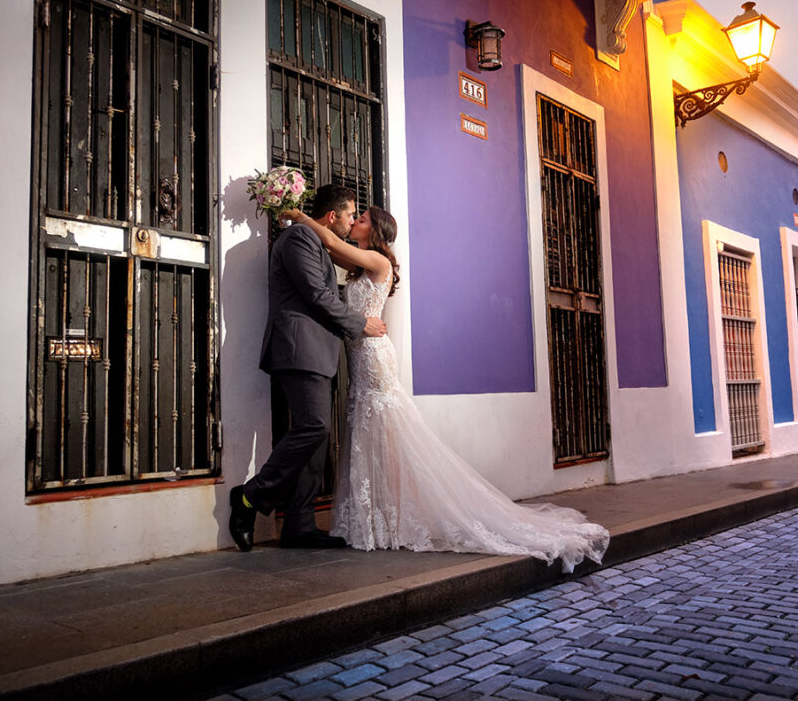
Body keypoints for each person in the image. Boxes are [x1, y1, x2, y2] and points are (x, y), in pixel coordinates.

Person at [280, 205, 609, 573]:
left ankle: (387, 520)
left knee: (384, 430)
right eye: (354, 216)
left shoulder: (377, 261)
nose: (354, 221)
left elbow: (328, 239)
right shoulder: (359, 268)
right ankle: (374, 523)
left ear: (376, 231)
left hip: (373, 356)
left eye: (362, 219)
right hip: (359, 358)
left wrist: (298, 213)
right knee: (368, 433)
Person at [229, 184, 387, 551]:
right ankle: (250, 497)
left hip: (319, 351)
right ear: (333, 216)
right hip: (299, 348)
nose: (352, 222)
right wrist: (359, 323)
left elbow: (334, 276)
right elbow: (317, 295)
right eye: (351, 215)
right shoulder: (299, 238)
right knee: (314, 427)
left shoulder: (314, 239)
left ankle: (299, 525)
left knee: (314, 440)